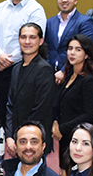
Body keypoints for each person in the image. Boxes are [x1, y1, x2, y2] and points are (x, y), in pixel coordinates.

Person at [0, 0, 47, 133]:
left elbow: (33, 41)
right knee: (4, 112)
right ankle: (7, 147)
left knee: (21, 111)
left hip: (24, 68)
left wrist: (9, 60)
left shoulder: (36, 9)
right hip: (0, 67)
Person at [5, 23, 56, 156]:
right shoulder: (16, 68)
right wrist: (10, 136)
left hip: (33, 140)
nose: (27, 41)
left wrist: (21, 137)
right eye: (23, 37)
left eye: (32, 37)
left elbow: (40, 109)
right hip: (16, 140)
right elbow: (10, 105)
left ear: (41, 41)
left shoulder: (44, 69)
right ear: (19, 40)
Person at [53, 34, 93, 172]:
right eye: (70, 48)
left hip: (77, 139)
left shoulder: (88, 80)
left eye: (78, 49)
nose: (72, 53)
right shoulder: (68, 76)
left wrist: (62, 128)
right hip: (64, 139)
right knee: (64, 175)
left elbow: (89, 115)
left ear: (86, 54)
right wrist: (55, 122)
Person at [44, 0, 93, 74]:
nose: (64, 0)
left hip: (73, 73)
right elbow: (46, 48)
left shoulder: (85, 22)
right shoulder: (50, 22)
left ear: (75, 0)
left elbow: (86, 50)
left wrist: (64, 71)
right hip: (50, 73)